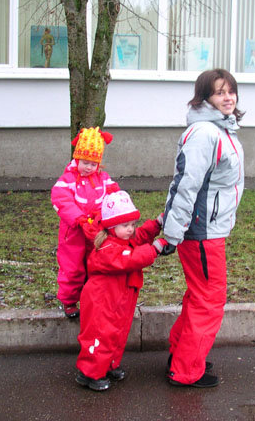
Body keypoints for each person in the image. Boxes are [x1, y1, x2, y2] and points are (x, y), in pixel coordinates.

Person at [162, 68, 245, 388]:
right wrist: (173, 232)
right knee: (209, 300)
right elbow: (185, 185)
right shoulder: (205, 133)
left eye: (231, 91)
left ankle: (181, 354)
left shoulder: (222, 130)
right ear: (205, 98)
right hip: (201, 232)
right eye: (219, 92)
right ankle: (185, 370)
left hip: (208, 229)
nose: (228, 97)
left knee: (200, 296)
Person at [75, 190, 171, 391]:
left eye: (132, 224)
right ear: (112, 226)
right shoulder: (106, 248)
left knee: (117, 333)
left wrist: (157, 224)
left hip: (119, 299)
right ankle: (90, 373)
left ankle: (109, 365)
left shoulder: (122, 238)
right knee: (100, 334)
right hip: (102, 300)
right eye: (125, 225)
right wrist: (154, 249)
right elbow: (129, 259)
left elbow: (140, 236)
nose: (130, 229)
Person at [51, 126, 119, 318]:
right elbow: (61, 200)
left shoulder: (103, 179)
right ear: (76, 159)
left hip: (96, 231)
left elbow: (114, 195)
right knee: (72, 266)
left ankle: (94, 298)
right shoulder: (68, 180)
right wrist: (79, 218)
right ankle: (69, 300)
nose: (89, 167)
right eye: (85, 162)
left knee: (95, 264)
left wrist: (107, 214)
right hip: (73, 233)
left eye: (93, 163)